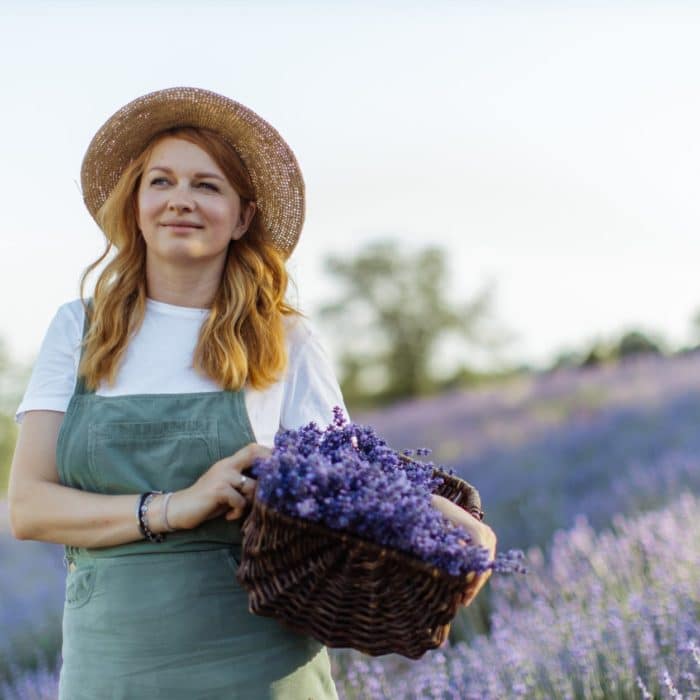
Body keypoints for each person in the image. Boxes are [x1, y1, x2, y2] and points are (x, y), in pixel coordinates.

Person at [8, 87, 496, 699]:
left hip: (260, 668)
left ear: (242, 216)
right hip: (112, 667)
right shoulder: (79, 329)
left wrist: (465, 531)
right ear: (135, 205)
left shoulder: (286, 339)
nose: (180, 200)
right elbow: (28, 508)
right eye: (161, 182)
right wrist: (175, 505)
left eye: (206, 186)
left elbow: (356, 485)